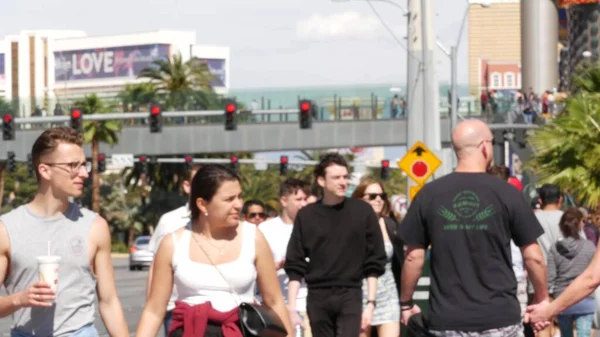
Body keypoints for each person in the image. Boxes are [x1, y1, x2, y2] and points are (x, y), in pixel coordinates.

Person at [399, 119, 548, 336]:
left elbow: (413, 258)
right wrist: (543, 299)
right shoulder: (507, 194)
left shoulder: (428, 195)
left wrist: (406, 303)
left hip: (446, 321)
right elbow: (534, 257)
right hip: (500, 319)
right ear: (485, 147)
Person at [0, 127, 129, 336]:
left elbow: (109, 302)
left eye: (83, 165)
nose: (84, 173)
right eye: (72, 166)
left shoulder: (95, 226)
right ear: (45, 170)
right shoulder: (6, 229)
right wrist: (19, 299)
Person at [136, 164, 293, 337]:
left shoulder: (254, 237)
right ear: (202, 204)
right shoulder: (172, 243)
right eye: (229, 199)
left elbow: (274, 301)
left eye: (240, 196)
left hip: (241, 331)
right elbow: (154, 310)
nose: (239, 204)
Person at [285, 153, 386, 337]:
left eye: (345, 177)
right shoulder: (307, 215)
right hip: (317, 296)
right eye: (336, 177)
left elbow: (374, 260)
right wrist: (291, 308)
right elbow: (295, 263)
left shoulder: (362, 212)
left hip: (351, 293)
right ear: (321, 181)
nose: (343, 182)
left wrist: (370, 303)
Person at [146, 163, 202, 335]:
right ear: (187, 186)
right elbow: (155, 267)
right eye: (198, 183)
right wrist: (151, 308)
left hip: (217, 310)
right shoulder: (169, 221)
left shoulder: (223, 222)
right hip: (176, 311)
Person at [259, 178, 311, 336]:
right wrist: (278, 265)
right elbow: (256, 269)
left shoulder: (313, 228)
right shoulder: (266, 229)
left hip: (305, 303)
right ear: (284, 200)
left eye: (305, 199)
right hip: (274, 306)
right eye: (298, 199)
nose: (303, 204)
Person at [351, 178, 403, 337]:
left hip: (388, 295)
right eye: (373, 196)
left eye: (382, 195)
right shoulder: (350, 226)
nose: (379, 199)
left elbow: (399, 260)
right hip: (358, 295)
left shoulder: (390, 224)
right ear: (360, 199)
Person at [487, 165, 528, 335]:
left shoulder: (479, 206)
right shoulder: (515, 204)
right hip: (515, 275)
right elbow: (531, 252)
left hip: (485, 278)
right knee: (516, 324)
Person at [547, 208, 596, 337]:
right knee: (584, 334)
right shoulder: (590, 247)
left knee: (566, 334)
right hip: (584, 297)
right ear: (581, 224)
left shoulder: (554, 248)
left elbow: (550, 278)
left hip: (562, 299)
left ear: (561, 226)